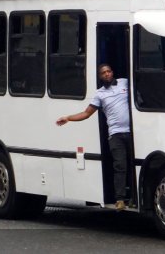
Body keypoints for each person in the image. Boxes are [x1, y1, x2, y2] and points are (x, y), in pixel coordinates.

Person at [56, 64, 132, 211]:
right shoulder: (100, 94)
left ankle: (134, 197)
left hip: (132, 132)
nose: (107, 74)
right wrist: (68, 118)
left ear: (113, 72)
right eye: (104, 73)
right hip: (115, 134)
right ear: (100, 76)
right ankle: (120, 199)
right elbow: (86, 113)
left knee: (133, 165)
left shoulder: (125, 82)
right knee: (120, 166)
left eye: (109, 71)